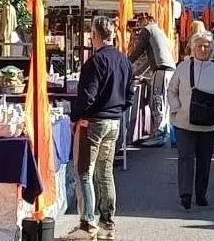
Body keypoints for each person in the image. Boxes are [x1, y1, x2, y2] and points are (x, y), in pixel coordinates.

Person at [70, 17, 134, 240]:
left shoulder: (95, 62)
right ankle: (107, 222)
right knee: (105, 172)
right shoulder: (124, 61)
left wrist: (75, 117)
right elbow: (129, 96)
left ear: (95, 36)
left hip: (94, 122)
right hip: (113, 121)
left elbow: (87, 96)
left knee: (84, 172)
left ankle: (88, 223)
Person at [168, 31, 214, 209]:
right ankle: (185, 194)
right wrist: (176, 108)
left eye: (207, 45)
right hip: (184, 122)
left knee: (204, 160)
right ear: (193, 47)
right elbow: (172, 89)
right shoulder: (183, 67)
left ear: (212, 48)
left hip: (207, 125)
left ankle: (201, 193)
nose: (203, 49)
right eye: (200, 45)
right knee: (185, 158)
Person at [128, 13, 176, 146]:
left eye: (139, 22)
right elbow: (151, 59)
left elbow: (139, 50)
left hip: (161, 71)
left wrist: (125, 63)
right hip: (168, 69)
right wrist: (138, 72)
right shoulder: (160, 32)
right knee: (164, 103)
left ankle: (160, 134)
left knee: (157, 100)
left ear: (146, 20)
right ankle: (162, 131)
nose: (138, 26)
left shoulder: (148, 30)